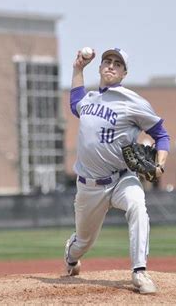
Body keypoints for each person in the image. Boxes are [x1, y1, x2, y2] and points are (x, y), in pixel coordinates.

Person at [64, 48, 170, 294]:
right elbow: (74, 103)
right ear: (100, 68)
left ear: (124, 73)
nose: (111, 66)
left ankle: (139, 272)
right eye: (107, 61)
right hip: (89, 186)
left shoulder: (132, 101)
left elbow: (161, 135)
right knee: (83, 242)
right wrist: (78, 69)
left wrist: (161, 165)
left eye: (117, 64)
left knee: (137, 206)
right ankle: (71, 258)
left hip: (122, 179)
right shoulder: (89, 100)